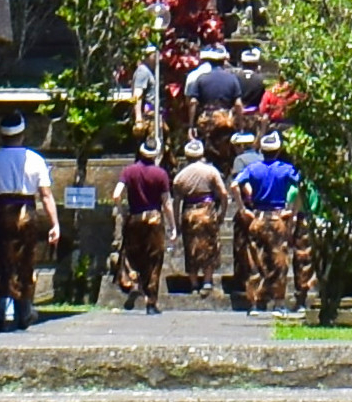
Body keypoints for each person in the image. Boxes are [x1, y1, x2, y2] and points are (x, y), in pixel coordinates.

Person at [0, 125, 59, 318]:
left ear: (2, 135)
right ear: (22, 135)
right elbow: (46, 195)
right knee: (26, 260)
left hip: (1, 210)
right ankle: (25, 306)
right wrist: (55, 223)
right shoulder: (36, 159)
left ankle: (6, 306)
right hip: (26, 210)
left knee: (1, 258)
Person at [231, 134, 306, 314]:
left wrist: (242, 208)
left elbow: (234, 185)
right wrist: (293, 211)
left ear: (262, 151)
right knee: (279, 261)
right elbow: (302, 186)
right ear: (278, 150)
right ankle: (279, 302)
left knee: (255, 260)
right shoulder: (285, 169)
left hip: (257, 216)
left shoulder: (253, 168)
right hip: (277, 217)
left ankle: (255, 303)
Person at [112, 144, 174, 312]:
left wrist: (121, 210)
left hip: (135, 216)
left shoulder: (128, 171)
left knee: (131, 254)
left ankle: (132, 282)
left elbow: (116, 194)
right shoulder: (160, 174)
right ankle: (151, 302)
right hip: (154, 217)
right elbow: (166, 202)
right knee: (154, 259)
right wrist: (172, 225)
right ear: (156, 155)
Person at [169, 140, 231, 299]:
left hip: (189, 211)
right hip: (207, 209)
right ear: (202, 154)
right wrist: (222, 212)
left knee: (191, 247)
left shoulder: (180, 176)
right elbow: (223, 193)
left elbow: (176, 202)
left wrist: (176, 223)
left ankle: (194, 282)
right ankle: (208, 281)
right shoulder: (211, 171)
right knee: (209, 245)